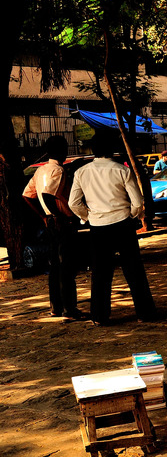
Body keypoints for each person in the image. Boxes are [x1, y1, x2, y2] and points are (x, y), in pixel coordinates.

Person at [69, 133, 156, 325]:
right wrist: (132, 215)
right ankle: (144, 313)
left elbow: (73, 203)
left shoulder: (82, 172)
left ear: (93, 150)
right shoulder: (121, 171)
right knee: (134, 270)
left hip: (98, 227)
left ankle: (99, 316)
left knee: (100, 273)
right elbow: (137, 201)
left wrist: (88, 216)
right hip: (122, 224)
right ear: (112, 149)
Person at [22, 136, 84, 321]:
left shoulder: (41, 170)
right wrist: (57, 215)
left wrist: (43, 215)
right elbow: (49, 195)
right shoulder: (58, 170)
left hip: (49, 221)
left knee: (55, 266)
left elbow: (28, 195)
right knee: (66, 266)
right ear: (61, 150)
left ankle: (56, 307)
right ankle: (69, 309)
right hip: (62, 221)